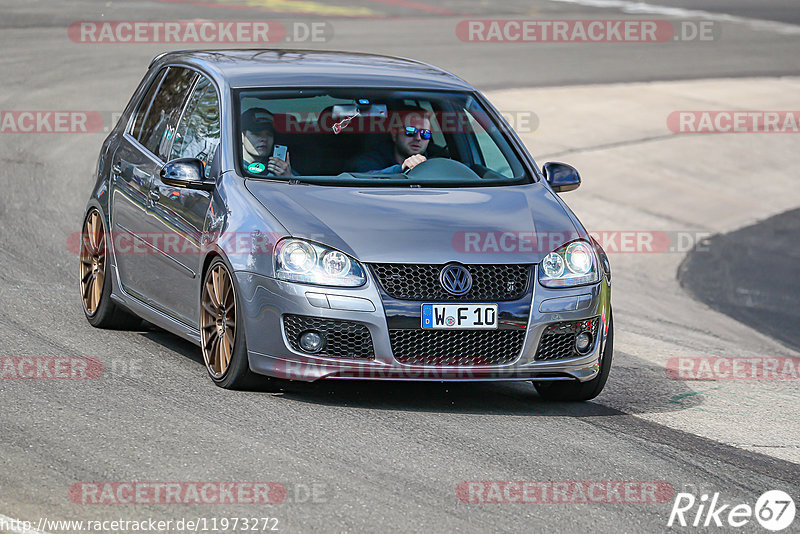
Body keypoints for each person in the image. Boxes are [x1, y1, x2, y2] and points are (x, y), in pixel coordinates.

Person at [352, 108, 432, 173]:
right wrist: (401, 168)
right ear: (394, 134)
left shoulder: (436, 159)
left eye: (425, 133)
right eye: (410, 131)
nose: (418, 138)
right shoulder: (370, 160)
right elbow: (366, 178)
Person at [241, 107, 293, 177]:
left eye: (269, 134)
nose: (264, 139)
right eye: (256, 133)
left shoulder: (282, 171)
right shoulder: (229, 168)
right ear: (241, 136)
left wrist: (289, 177)